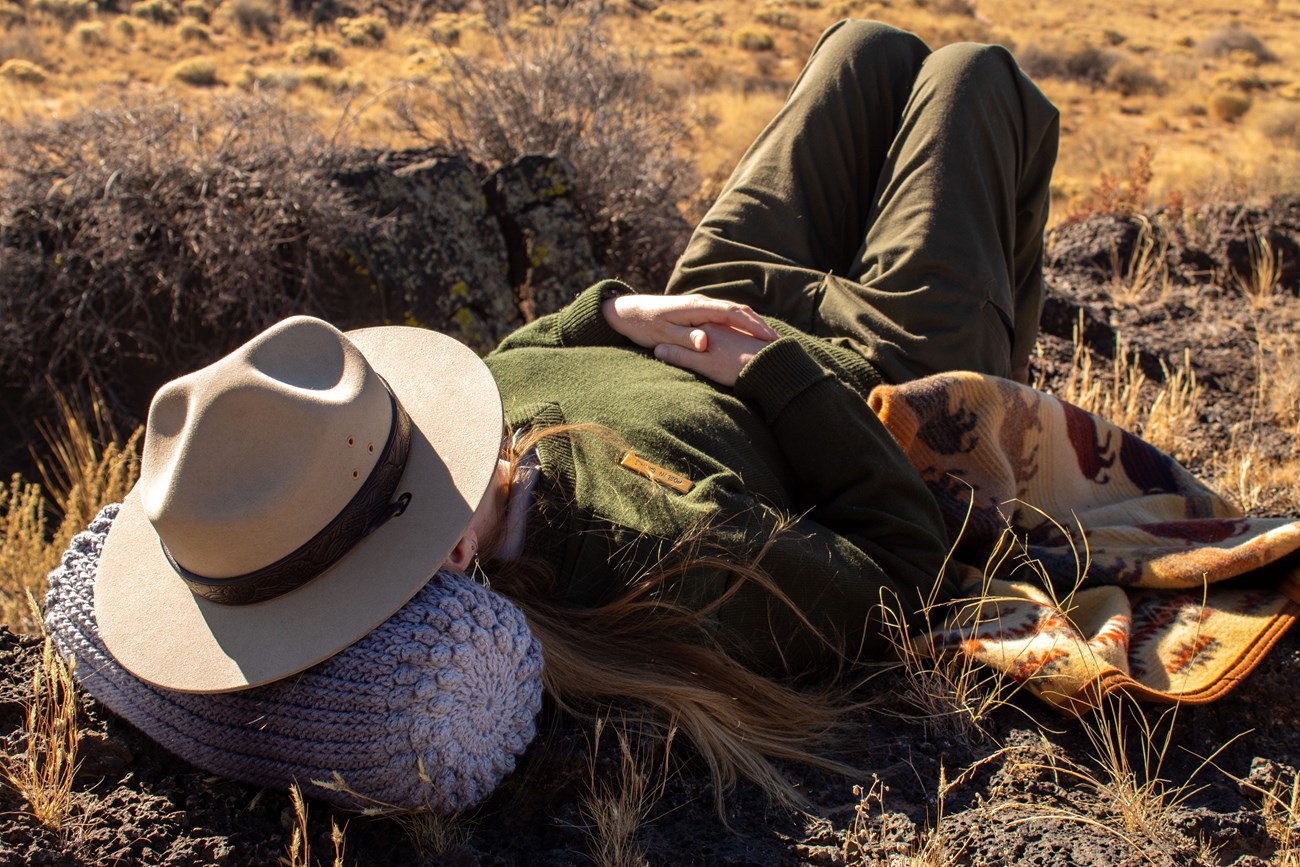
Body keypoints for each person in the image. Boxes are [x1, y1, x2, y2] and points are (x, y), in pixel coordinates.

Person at [44, 20, 1060, 812]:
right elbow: (897, 580)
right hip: (880, 363)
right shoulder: (673, 565)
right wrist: (777, 377)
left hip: (703, 299)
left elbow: (516, 363)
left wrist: (612, 310)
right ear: (442, 561)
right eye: (428, 461)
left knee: (864, 51)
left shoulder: (407, 465)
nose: (444, 436)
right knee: (974, 75)